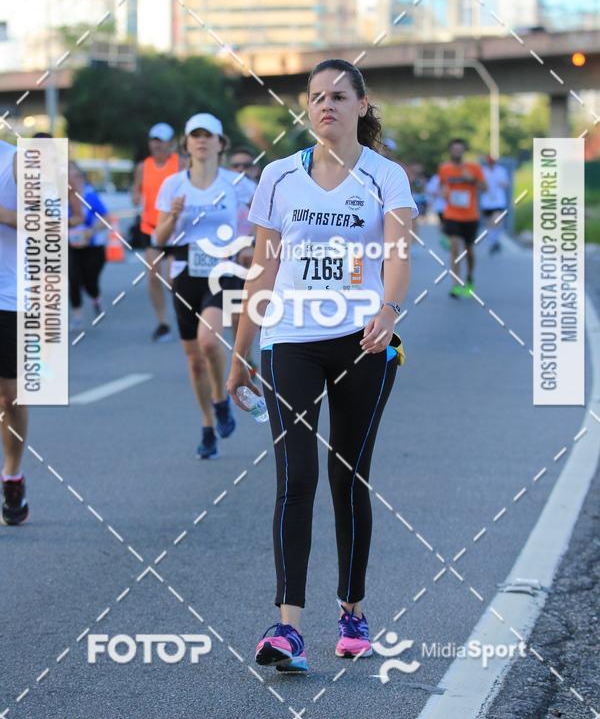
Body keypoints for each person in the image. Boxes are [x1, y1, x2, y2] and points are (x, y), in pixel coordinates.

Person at [226, 59, 417, 673]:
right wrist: (241, 351)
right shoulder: (280, 176)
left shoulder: (386, 176)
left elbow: (397, 255)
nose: (325, 106)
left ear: (362, 105)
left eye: (338, 96)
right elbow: (264, 267)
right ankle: (287, 629)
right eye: (315, 97)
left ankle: (353, 612)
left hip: (363, 342)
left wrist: (388, 310)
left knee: (348, 476)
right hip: (292, 342)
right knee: (296, 477)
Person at [154, 114, 256, 460]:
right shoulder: (173, 185)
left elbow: (263, 220)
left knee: (209, 339)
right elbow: (158, 237)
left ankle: (221, 398)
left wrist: (248, 245)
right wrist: (171, 215)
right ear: (186, 143)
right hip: (184, 270)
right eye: (194, 136)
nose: (201, 141)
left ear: (220, 143)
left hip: (222, 269)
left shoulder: (236, 183)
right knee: (194, 360)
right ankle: (208, 424)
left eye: (208, 136)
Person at [0, 139, 29, 525]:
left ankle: (12, 475)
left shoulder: (17, 159)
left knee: (10, 395)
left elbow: (48, 221)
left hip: (8, 297)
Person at [132, 123, 182, 342]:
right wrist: (136, 198)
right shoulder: (144, 167)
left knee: (174, 278)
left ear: (171, 143)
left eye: (162, 141)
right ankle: (163, 323)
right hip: (151, 228)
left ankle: (185, 315)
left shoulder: (180, 163)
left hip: (174, 228)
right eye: (154, 140)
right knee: (153, 277)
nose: (157, 145)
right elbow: (136, 192)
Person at [438, 139, 487, 298]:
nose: (457, 152)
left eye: (460, 150)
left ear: (463, 151)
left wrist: (471, 179)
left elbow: (485, 188)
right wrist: (444, 192)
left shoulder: (473, 168)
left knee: (469, 251)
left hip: (470, 215)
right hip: (452, 214)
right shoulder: (444, 169)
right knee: (454, 248)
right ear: (451, 151)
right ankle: (456, 284)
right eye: (454, 150)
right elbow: (442, 187)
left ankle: (470, 277)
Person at [68, 162, 109, 330]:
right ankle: (77, 314)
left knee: (89, 281)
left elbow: (105, 218)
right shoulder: (58, 197)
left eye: (76, 176)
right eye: (68, 177)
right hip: (70, 246)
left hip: (93, 246)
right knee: (73, 278)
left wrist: (90, 232)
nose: (73, 180)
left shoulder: (90, 196)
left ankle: (96, 297)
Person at [481, 156, 510, 254]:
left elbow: (506, 183)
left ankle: (495, 241)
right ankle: (493, 242)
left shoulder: (501, 171)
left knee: (497, 222)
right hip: (487, 202)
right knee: (489, 224)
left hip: (498, 201)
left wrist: (501, 183)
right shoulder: (483, 171)